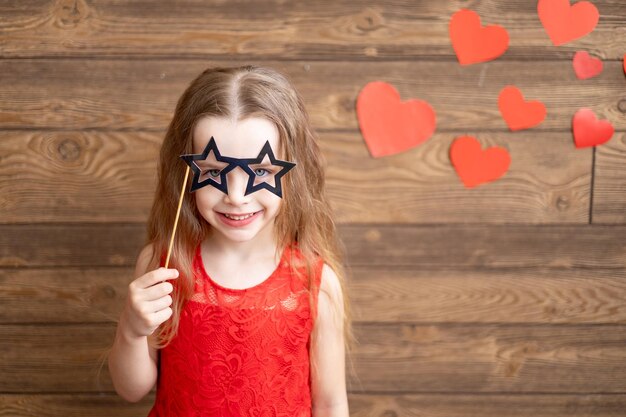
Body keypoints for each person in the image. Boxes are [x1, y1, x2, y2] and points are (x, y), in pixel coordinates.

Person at [108, 65, 353, 417]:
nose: (236, 196)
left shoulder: (315, 282)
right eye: (212, 171)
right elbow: (131, 390)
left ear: (292, 174)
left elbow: (330, 404)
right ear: (186, 174)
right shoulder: (164, 266)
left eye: (261, 172)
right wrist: (131, 329)